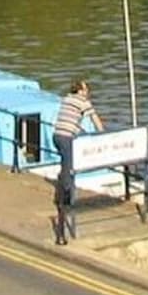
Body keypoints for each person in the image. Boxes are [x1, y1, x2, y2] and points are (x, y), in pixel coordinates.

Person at [51, 78, 101, 244]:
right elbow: (95, 119)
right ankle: (64, 200)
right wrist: (103, 134)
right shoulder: (83, 102)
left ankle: (64, 190)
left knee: (66, 165)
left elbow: (71, 118)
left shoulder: (66, 99)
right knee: (69, 168)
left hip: (57, 136)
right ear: (79, 90)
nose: (88, 92)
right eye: (86, 89)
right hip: (66, 138)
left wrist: (79, 129)